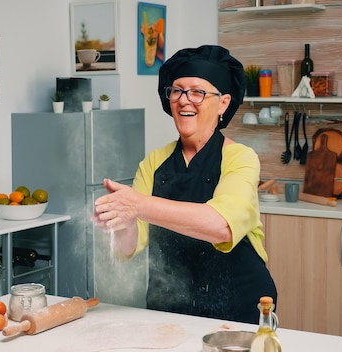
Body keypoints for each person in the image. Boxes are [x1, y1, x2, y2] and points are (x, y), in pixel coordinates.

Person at [91, 45, 277, 324]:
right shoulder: (154, 162)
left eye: (197, 92)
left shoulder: (240, 158)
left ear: (223, 103)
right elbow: (128, 247)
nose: (184, 100)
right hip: (169, 309)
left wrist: (138, 204)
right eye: (177, 90)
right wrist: (121, 221)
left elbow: (221, 226)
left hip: (238, 310)